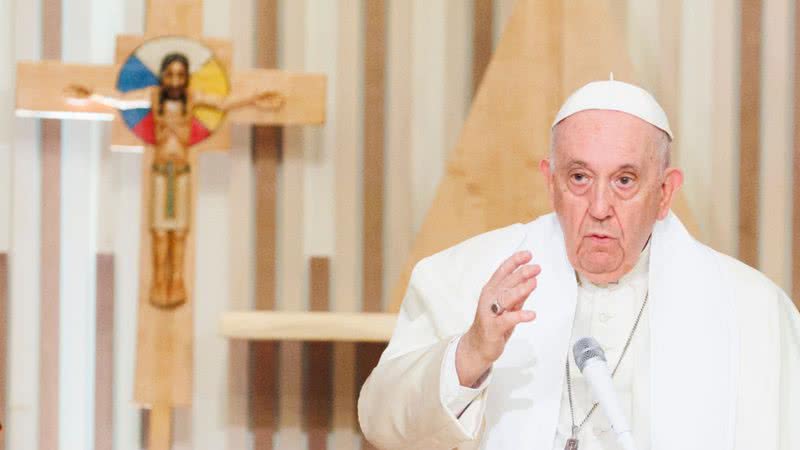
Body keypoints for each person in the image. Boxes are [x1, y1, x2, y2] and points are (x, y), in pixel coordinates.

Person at [358, 79, 800, 450]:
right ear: (551, 185)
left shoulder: (752, 310)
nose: (600, 206)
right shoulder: (469, 274)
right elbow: (380, 423)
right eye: (579, 178)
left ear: (665, 192)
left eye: (625, 181)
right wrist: (471, 352)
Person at [65, 52, 282, 307]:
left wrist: (253, 99)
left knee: (179, 232)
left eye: (181, 74)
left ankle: (177, 281)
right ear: (162, 76)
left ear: (187, 77)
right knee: (159, 231)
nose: (175, 80)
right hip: (159, 172)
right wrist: (92, 95)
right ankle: (158, 282)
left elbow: (222, 103)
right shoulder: (153, 96)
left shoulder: (192, 99)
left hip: (181, 174)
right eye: (170, 74)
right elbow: (123, 101)